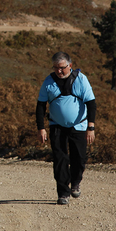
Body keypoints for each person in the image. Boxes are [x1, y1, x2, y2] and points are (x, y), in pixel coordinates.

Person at [36, 51, 96, 205]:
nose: (59, 71)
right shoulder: (48, 82)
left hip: (79, 125)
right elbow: (41, 105)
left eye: (62, 67)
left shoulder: (81, 80)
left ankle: (75, 182)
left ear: (70, 65)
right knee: (60, 159)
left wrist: (91, 127)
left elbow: (91, 103)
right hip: (56, 126)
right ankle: (63, 193)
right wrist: (41, 128)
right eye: (56, 68)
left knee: (79, 158)